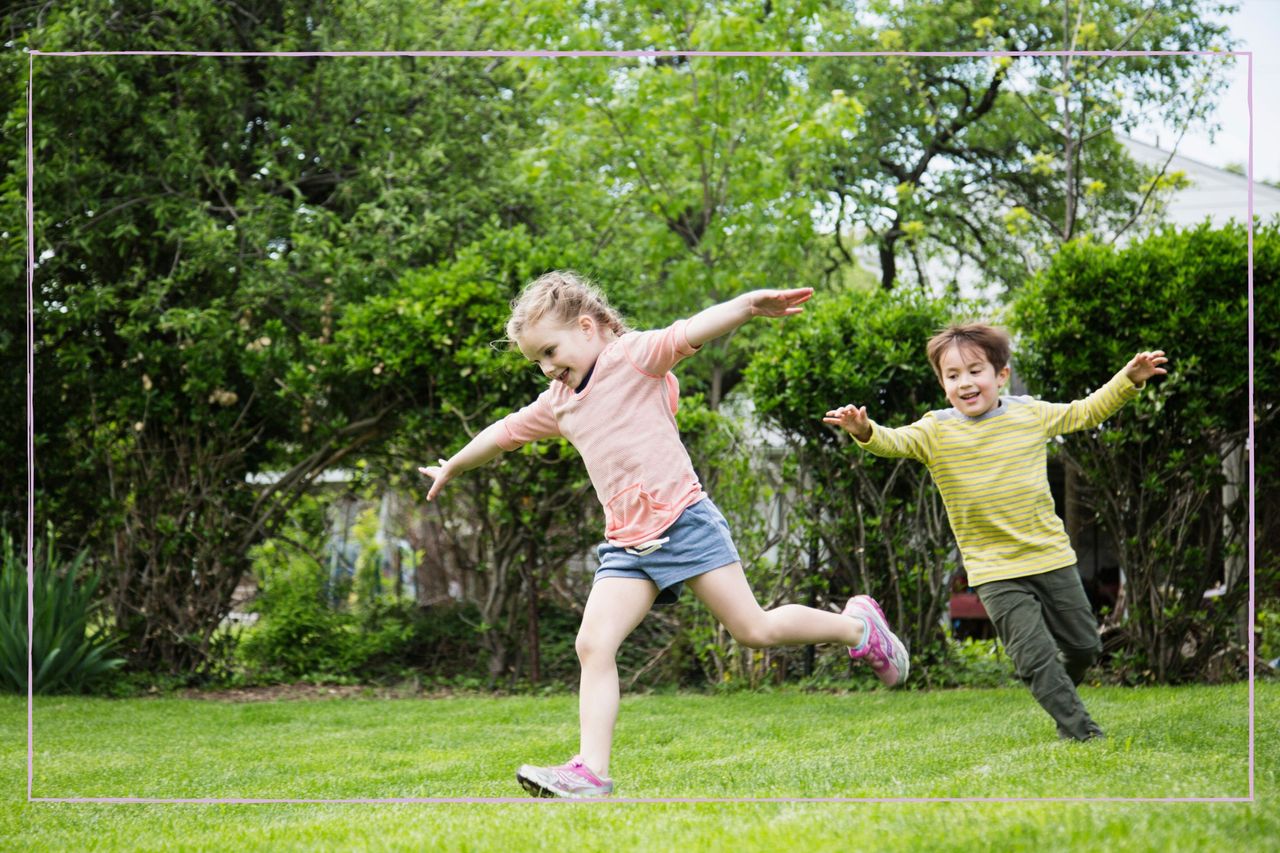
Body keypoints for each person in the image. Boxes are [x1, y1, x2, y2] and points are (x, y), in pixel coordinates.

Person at [419, 271, 909, 799]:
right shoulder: (559, 400)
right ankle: (590, 773)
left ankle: (857, 629)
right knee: (593, 643)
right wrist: (455, 466)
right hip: (627, 544)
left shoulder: (632, 357)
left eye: (550, 351)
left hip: (682, 521)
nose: (546, 368)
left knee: (754, 630)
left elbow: (690, 330)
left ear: (587, 327)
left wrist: (746, 304)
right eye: (536, 360)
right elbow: (506, 432)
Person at [823, 322, 1167, 742]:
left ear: (1000, 374)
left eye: (974, 371)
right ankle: (1080, 731)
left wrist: (1127, 379)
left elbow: (1085, 410)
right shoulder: (935, 430)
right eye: (953, 376)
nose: (965, 383)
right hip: (993, 569)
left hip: (1051, 556)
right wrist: (864, 431)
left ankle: (1054, 688)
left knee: (1084, 648)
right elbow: (893, 441)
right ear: (942, 384)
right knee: (1034, 656)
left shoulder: (1029, 414)